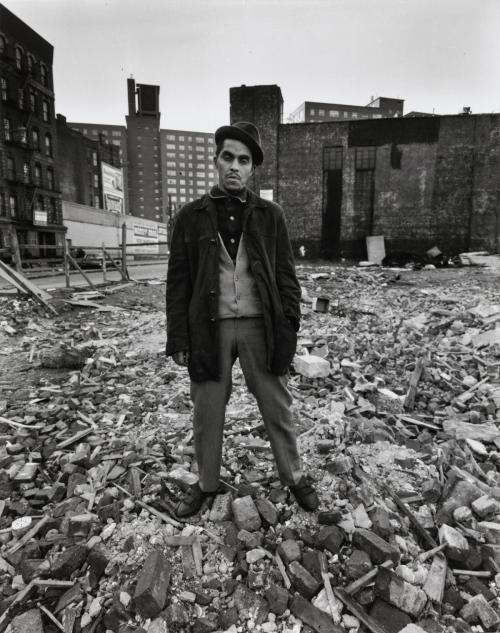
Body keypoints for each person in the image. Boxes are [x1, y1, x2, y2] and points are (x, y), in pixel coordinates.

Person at [166, 121, 319, 517]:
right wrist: (178, 339)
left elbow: (286, 275)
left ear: (253, 168)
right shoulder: (189, 217)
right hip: (209, 328)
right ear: (216, 160)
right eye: (228, 157)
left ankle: (295, 477)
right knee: (208, 409)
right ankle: (206, 484)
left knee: (277, 405)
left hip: (260, 326)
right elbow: (178, 284)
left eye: (244, 160)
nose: (235, 166)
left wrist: (290, 325)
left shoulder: (271, 215)